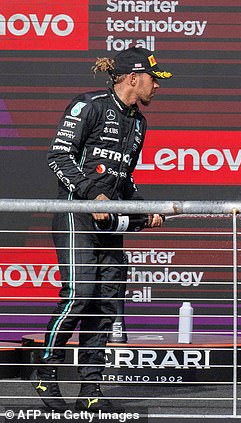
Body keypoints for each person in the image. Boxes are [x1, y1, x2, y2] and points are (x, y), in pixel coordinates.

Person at [33, 47, 172, 411]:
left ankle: (92, 392)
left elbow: (124, 182)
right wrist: (91, 197)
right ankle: (45, 373)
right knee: (80, 292)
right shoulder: (89, 105)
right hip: (75, 214)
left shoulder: (139, 123)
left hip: (109, 221)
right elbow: (58, 156)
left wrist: (145, 210)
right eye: (154, 80)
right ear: (133, 78)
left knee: (106, 301)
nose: (157, 87)